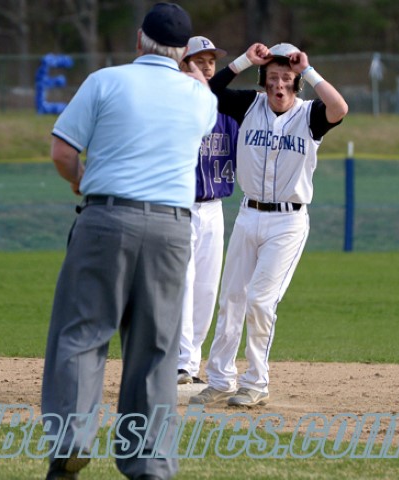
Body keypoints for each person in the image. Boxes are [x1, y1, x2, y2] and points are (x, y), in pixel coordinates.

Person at [41, 3, 217, 480]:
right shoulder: (200, 99)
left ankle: (72, 441)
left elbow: (62, 151)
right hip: (172, 228)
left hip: (107, 217)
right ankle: (150, 462)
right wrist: (193, 75)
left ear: (139, 40)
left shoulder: (105, 81)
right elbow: (202, 98)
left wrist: (79, 178)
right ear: (184, 52)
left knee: (82, 334)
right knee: (156, 349)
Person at [190, 42, 348, 407]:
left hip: (288, 221)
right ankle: (220, 379)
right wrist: (245, 61)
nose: (279, 84)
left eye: (287, 78)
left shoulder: (310, 114)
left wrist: (307, 70)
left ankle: (256, 382)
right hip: (249, 215)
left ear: (297, 83)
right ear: (264, 80)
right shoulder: (249, 105)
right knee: (232, 298)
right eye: (273, 77)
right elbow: (205, 92)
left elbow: (340, 108)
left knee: (260, 301)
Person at [176, 36, 239, 386]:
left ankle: (191, 363)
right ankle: (179, 363)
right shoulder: (174, 106)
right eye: (198, 60)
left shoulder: (227, 112)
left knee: (206, 290)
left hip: (214, 209)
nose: (207, 66)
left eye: (211, 61)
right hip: (180, 207)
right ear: (182, 65)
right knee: (183, 285)